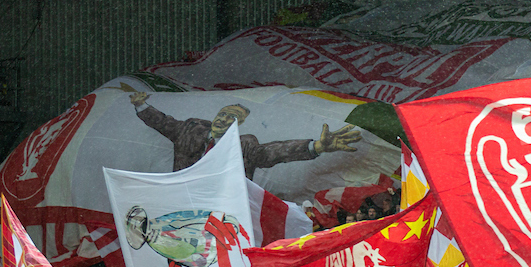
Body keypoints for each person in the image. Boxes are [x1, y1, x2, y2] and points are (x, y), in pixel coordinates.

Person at [129, 91, 363, 177]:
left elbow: (275, 152)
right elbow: (163, 123)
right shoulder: (190, 129)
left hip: (223, 211)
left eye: (231, 118)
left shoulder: (245, 146)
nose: (223, 119)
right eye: (222, 114)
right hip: (182, 199)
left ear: (237, 125)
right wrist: (140, 105)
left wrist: (318, 146)